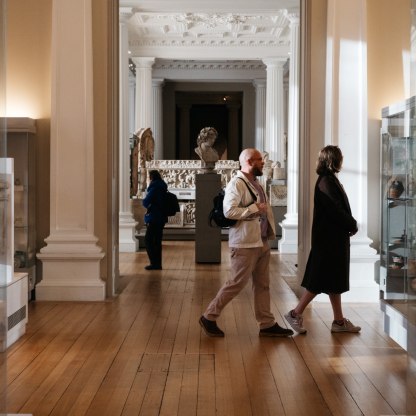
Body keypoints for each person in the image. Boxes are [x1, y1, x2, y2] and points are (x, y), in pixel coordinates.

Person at [199, 148, 294, 337]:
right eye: (260, 160)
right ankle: (209, 316)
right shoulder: (237, 184)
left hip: (261, 241)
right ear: (249, 162)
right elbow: (229, 212)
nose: (263, 163)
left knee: (262, 284)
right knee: (236, 283)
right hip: (244, 243)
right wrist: (253, 208)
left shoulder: (255, 182)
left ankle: (266, 323)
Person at [284, 145, 360, 334]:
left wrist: (348, 225)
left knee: (334, 280)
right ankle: (295, 314)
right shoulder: (326, 181)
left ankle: (339, 321)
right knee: (318, 281)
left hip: (332, 239)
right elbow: (336, 210)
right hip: (329, 241)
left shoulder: (329, 180)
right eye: (340, 157)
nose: (342, 161)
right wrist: (352, 224)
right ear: (334, 159)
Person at [142, 170, 168, 270]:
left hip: (154, 217)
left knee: (148, 240)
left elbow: (146, 202)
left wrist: (145, 200)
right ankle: (158, 263)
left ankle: (154, 263)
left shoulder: (155, 187)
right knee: (157, 241)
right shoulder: (162, 186)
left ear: (151, 177)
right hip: (161, 217)